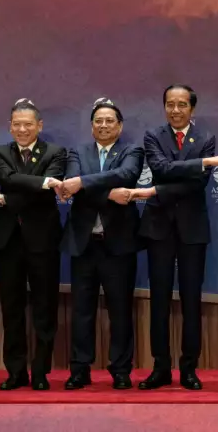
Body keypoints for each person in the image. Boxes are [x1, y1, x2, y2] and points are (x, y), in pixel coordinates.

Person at [133, 85, 218, 391]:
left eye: (182, 105)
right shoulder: (153, 136)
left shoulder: (205, 138)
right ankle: (160, 367)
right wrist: (201, 163)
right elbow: (160, 168)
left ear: (192, 109)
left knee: (191, 300)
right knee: (159, 299)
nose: (176, 110)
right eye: (170, 104)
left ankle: (189, 368)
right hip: (158, 227)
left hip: (192, 229)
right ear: (164, 107)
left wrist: (189, 173)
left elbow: (197, 184)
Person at [59, 99, 144, 390]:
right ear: (92, 125)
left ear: (119, 126)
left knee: (120, 311)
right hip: (84, 244)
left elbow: (127, 176)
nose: (104, 125)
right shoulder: (77, 152)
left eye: (110, 121)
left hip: (118, 245)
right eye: (99, 121)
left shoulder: (132, 151)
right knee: (81, 311)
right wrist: (107, 194)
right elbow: (71, 185)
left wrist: (83, 183)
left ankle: (121, 370)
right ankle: (79, 370)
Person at [0, 100, 66, 391]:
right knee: (11, 307)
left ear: (39, 126)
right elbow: (7, 178)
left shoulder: (57, 152)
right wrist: (43, 182)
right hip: (8, 240)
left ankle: (41, 372)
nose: (22, 129)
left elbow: (27, 190)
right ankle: (15, 372)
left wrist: (6, 198)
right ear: (10, 127)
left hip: (43, 240)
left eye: (28, 124)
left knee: (45, 306)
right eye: (16, 125)